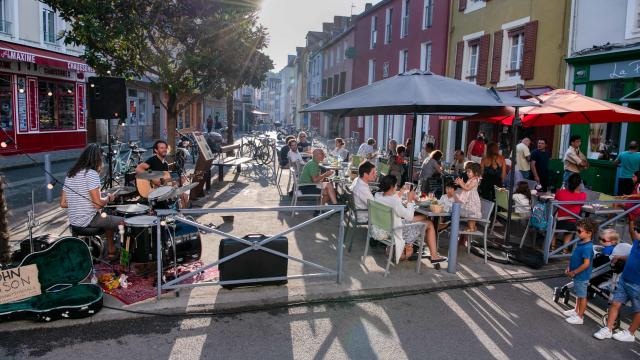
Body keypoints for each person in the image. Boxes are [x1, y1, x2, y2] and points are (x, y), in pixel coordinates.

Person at [60, 144, 124, 261]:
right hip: (88, 221)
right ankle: (123, 254)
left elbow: (63, 203)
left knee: (107, 216)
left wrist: (80, 202)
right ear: (97, 159)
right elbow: (98, 204)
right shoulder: (91, 174)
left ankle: (111, 251)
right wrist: (109, 198)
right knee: (124, 223)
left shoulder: (70, 174)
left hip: (74, 221)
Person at [373, 175, 446, 263]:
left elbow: (392, 199)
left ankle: (430, 246)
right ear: (392, 187)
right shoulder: (394, 202)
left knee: (424, 217)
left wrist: (401, 192)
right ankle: (434, 256)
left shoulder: (378, 195)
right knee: (429, 223)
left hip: (383, 227)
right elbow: (409, 216)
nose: (397, 187)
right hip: (395, 230)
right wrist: (410, 200)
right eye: (396, 185)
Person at [593, 224, 640, 342]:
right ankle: (608, 329)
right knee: (615, 303)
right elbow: (632, 256)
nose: (636, 232)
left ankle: (630, 333)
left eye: (638, 231)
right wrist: (620, 256)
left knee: (638, 310)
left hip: (637, 284)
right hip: (625, 279)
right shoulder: (636, 242)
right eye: (635, 230)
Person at [562, 218, 596, 325]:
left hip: (581, 276)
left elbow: (586, 264)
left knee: (582, 296)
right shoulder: (581, 243)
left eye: (579, 231)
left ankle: (580, 317)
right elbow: (575, 258)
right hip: (578, 274)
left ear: (589, 233)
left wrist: (574, 272)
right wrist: (569, 267)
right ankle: (576, 311)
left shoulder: (587, 247)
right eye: (577, 230)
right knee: (578, 294)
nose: (577, 233)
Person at [551, 173, 587, 253]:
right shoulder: (582, 195)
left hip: (557, 222)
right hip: (571, 223)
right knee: (571, 228)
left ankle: (552, 247)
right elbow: (582, 204)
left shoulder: (560, 192)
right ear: (579, 184)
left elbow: (556, 200)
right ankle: (564, 249)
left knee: (554, 227)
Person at [454, 162, 482, 231]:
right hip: (469, 199)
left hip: (472, 200)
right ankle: (472, 227)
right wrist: (461, 182)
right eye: (467, 172)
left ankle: (472, 228)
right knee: (470, 215)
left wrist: (461, 183)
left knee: (472, 215)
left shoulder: (475, 180)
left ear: (475, 173)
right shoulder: (470, 179)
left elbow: (467, 188)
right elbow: (466, 187)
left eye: (469, 172)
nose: (467, 173)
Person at [620, 170, 640, 242]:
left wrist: (630, 195)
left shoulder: (639, 185)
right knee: (631, 230)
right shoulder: (637, 185)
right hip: (632, 208)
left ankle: (608, 221)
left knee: (632, 230)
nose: (632, 178)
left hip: (635, 210)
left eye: (634, 176)